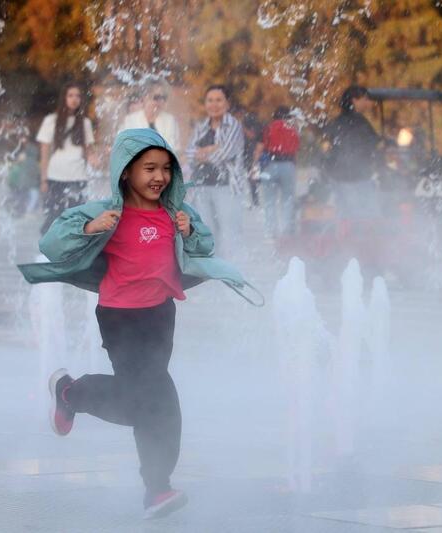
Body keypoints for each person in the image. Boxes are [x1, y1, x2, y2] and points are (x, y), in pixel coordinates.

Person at [17, 128, 255, 520]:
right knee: (152, 401)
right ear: (126, 172)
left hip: (160, 315)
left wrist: (189, 231)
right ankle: (152, 482)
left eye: (165, 168)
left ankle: (76, 399)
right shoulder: (108, 213)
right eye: (149, 168)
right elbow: (53, 242)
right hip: (119, 317)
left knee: (150, 399)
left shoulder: (175, 213)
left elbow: (204, 246)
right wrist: (91, 228)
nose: (159, 176)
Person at [184, 84, 246, 257]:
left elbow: (224, 154)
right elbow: (189, 154)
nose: (214, 104)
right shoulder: (202, 127)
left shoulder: (233, 126)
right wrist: (212, 148)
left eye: (219, 100)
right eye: (210, 100)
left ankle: (230, 268)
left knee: (229, 232)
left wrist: (201, 153)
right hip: (201, 186)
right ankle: (212, 267)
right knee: (206, 231)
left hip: (226, 187)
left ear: (227, 103)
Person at [37, 81, 96, 234]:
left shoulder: (85, 123)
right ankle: (49, 247)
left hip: (78, 176)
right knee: (53, 218)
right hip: (56, 176)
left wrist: (94, 158)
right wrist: (43, 179)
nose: (74, 99)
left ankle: (73, 247)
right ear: (64, 98)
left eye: (77, 96)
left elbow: (88, 150)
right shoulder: (51, 120)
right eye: (70, 95)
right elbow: (44, 153)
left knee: (77, 220)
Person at [321, 85, 381, 219]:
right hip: (358, 177)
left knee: (344, 214)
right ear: (354, 100)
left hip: (338, 176)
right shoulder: (360, 122)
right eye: (365, 99)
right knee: (365, 215)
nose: (367, 103)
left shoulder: (336, 122)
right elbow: (373, 143)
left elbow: (328, 146)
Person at [254, 106, 300, 238]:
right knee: (287, 199)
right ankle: (286, 229)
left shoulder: (268, 128)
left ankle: (271, 230)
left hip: (270, 166)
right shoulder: (293, 129)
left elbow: (259, 149)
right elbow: (296, 150)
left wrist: (255, 167)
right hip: (288, 165)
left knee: (269, 201)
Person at [120, 79, 180, 150]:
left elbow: (174, 148)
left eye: (163, 98)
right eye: (156, 97)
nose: (161, 101)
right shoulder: (130, 120)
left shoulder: (170, 120)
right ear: (145, 97)